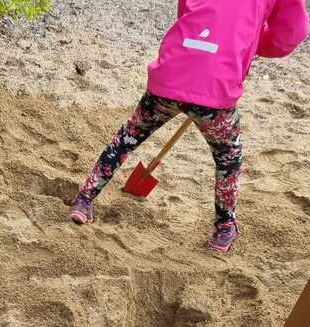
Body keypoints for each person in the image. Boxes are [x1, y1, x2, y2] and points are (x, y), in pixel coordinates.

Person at [69, 0, 309, 253]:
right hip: (216, 83)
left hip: (173, 69)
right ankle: (224, 228)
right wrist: (248, 42)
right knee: (228, 158)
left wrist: (233, 39)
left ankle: (84, 199)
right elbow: (289, 34)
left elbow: (187, 13)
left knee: (128, 137)